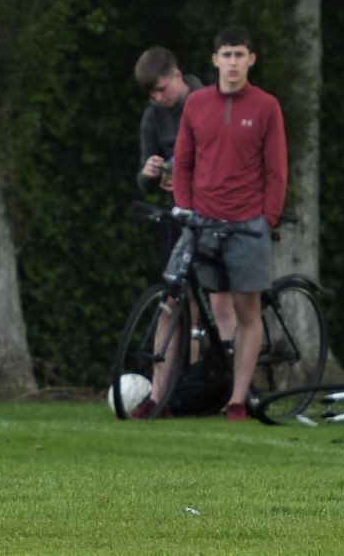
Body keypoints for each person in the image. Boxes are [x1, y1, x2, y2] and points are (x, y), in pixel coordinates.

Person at [173, 25, 287, 422]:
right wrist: (185, 206)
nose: (233, 62)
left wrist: (265, 219)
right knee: (199, 302)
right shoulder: (197, 104)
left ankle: (237, 399)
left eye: (240, 54)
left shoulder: (266, 106)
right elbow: (183, 161)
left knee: (246, 309)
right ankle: (197, 385)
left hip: (247, 223)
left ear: (251, 59)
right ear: (215, 60)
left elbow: (276, 171)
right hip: (202, 219)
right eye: (227, 55)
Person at [129, 46, 226, 418]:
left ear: (176, 75)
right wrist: (149, 173)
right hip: (178, 220)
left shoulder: (209, 104)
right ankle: (161, 394)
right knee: (174, 300)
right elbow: (142, 179)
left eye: (161, 89)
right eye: (152, 94)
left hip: (215, 217)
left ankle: (214, 389)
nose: (158, 98)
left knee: (216, 303)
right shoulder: (153, 117)